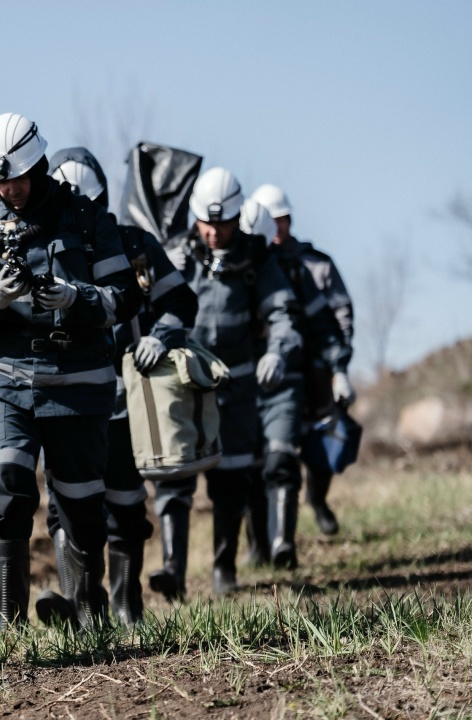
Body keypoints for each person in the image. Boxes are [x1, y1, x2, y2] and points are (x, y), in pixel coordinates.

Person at [0, 117, 143, 629]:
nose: (10, 191)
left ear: (38, 165)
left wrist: (77, 297)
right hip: (6, 374)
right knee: (8, 484)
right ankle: (8, 620)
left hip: (80, 383)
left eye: (17, 180)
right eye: (0, 183)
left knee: (82, 509)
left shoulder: (90, 221)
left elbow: (125, 298)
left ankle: (91, 610)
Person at [37, 148, 198, 625]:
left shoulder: (134, 244)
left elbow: (181, 301)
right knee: (64, 503)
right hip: (61, 395)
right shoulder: (40, 242)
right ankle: (83, 607)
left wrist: (159, 335)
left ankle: (128, 604)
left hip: (126, 398)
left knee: (126, 500)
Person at [160, 167, 301, 596]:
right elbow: (143, 302)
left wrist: (277, 351)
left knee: (232, 478)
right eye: (206, 223)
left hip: (236, 387)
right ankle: (173, 572)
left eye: (222, 224)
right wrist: (164, 271)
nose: (213, 233)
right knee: (174, 476)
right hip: (183, 385)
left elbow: (283, 315)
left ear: (237, 218)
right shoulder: (178, 254)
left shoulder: (258, 259)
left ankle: (224, 570)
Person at [239, 199, 349, 570]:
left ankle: (284, 542)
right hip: (238, 383)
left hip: (290, 378)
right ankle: (256, 546)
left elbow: (325, 323)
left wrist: (339, 369)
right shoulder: (225, 268)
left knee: (283, 458)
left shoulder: (298, 271)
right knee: (248, 468)